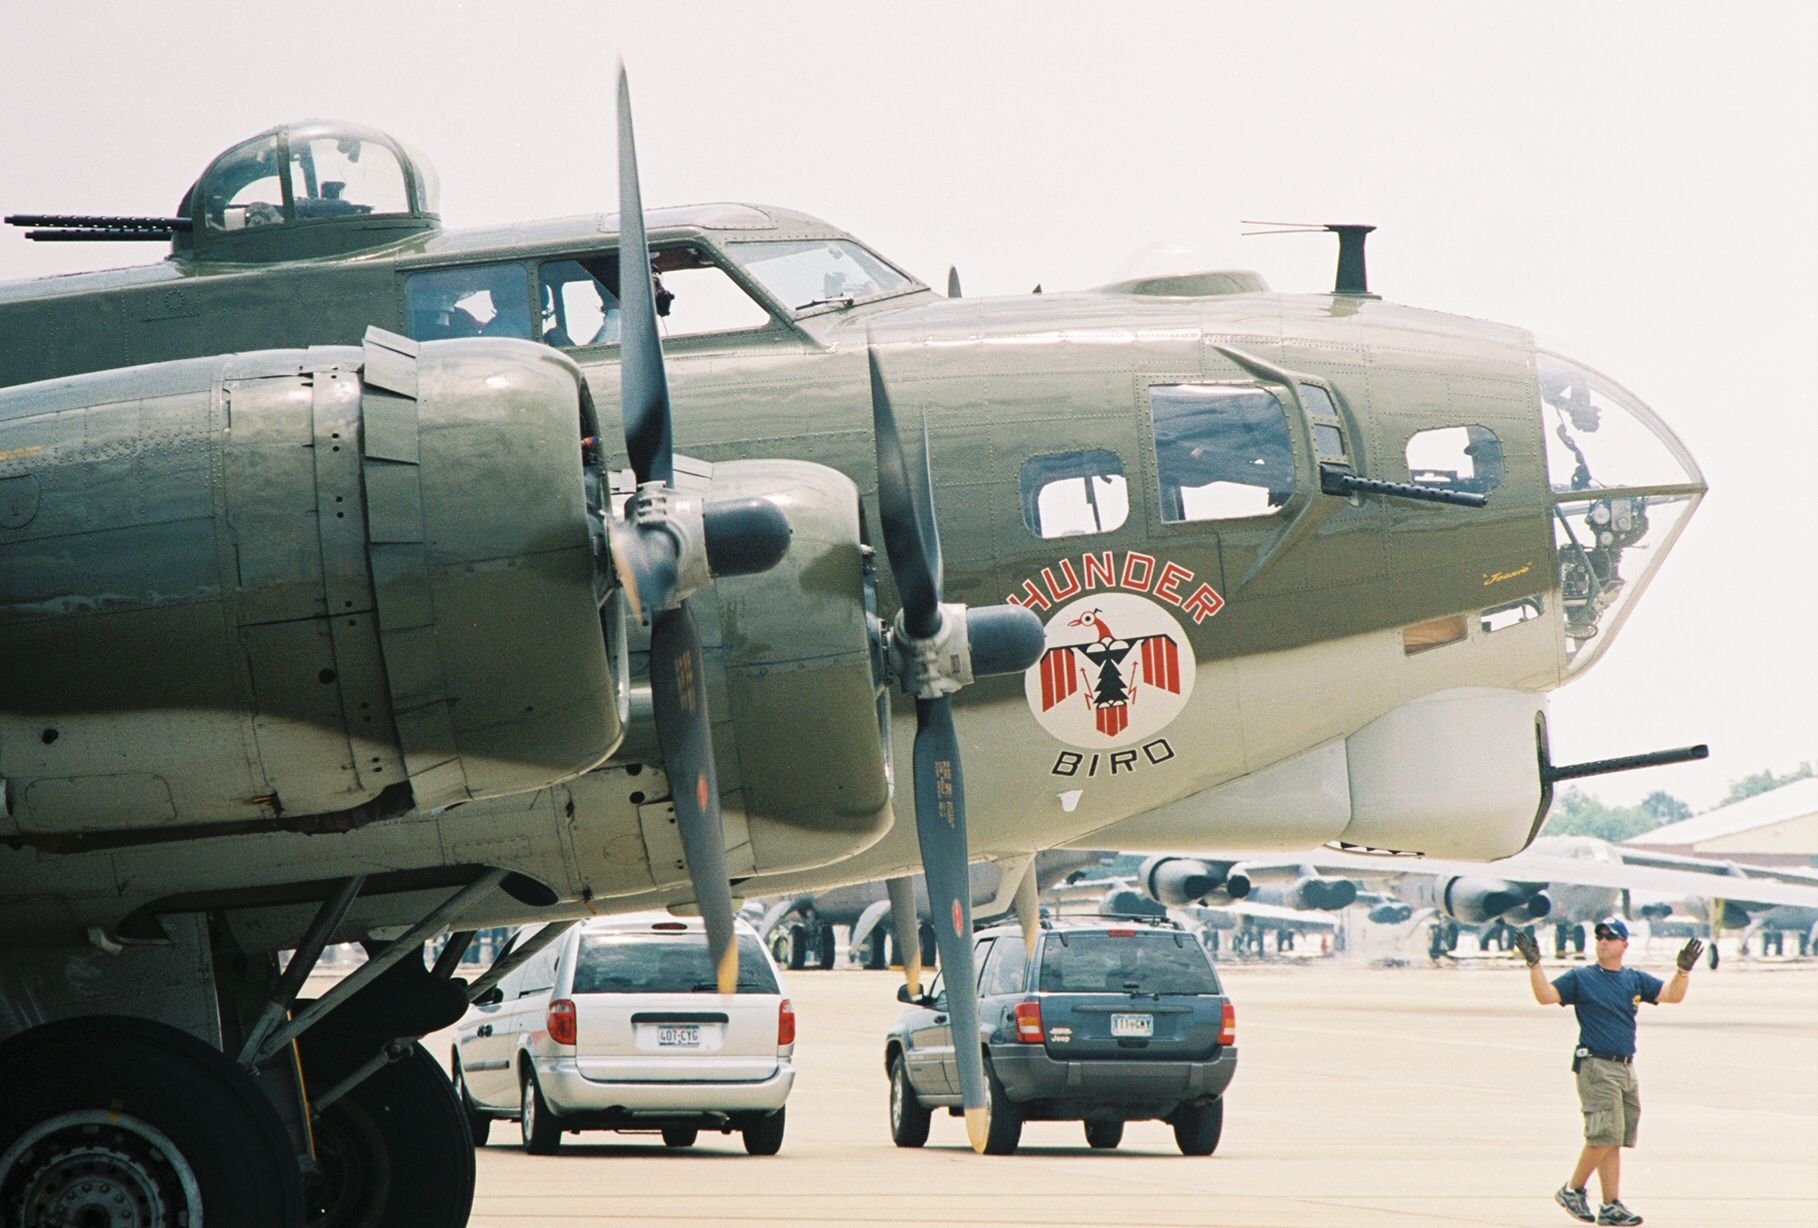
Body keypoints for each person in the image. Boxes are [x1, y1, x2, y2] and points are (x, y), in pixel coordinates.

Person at [1514, 918, 1701, 1226]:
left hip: (1625, 1066)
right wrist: (1535, 966)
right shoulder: (1582, 978)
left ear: (1624, 945)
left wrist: (1683, 971)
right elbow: (1546, 996)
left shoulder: (1633, 980)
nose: (1603, 941)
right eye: (1599, 936)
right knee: (1603, 1133)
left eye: (1610, 937)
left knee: (1614, 1137)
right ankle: (1572, 1189)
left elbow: (1672, 995)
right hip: (1596, 1065)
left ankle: (1611, 1204)